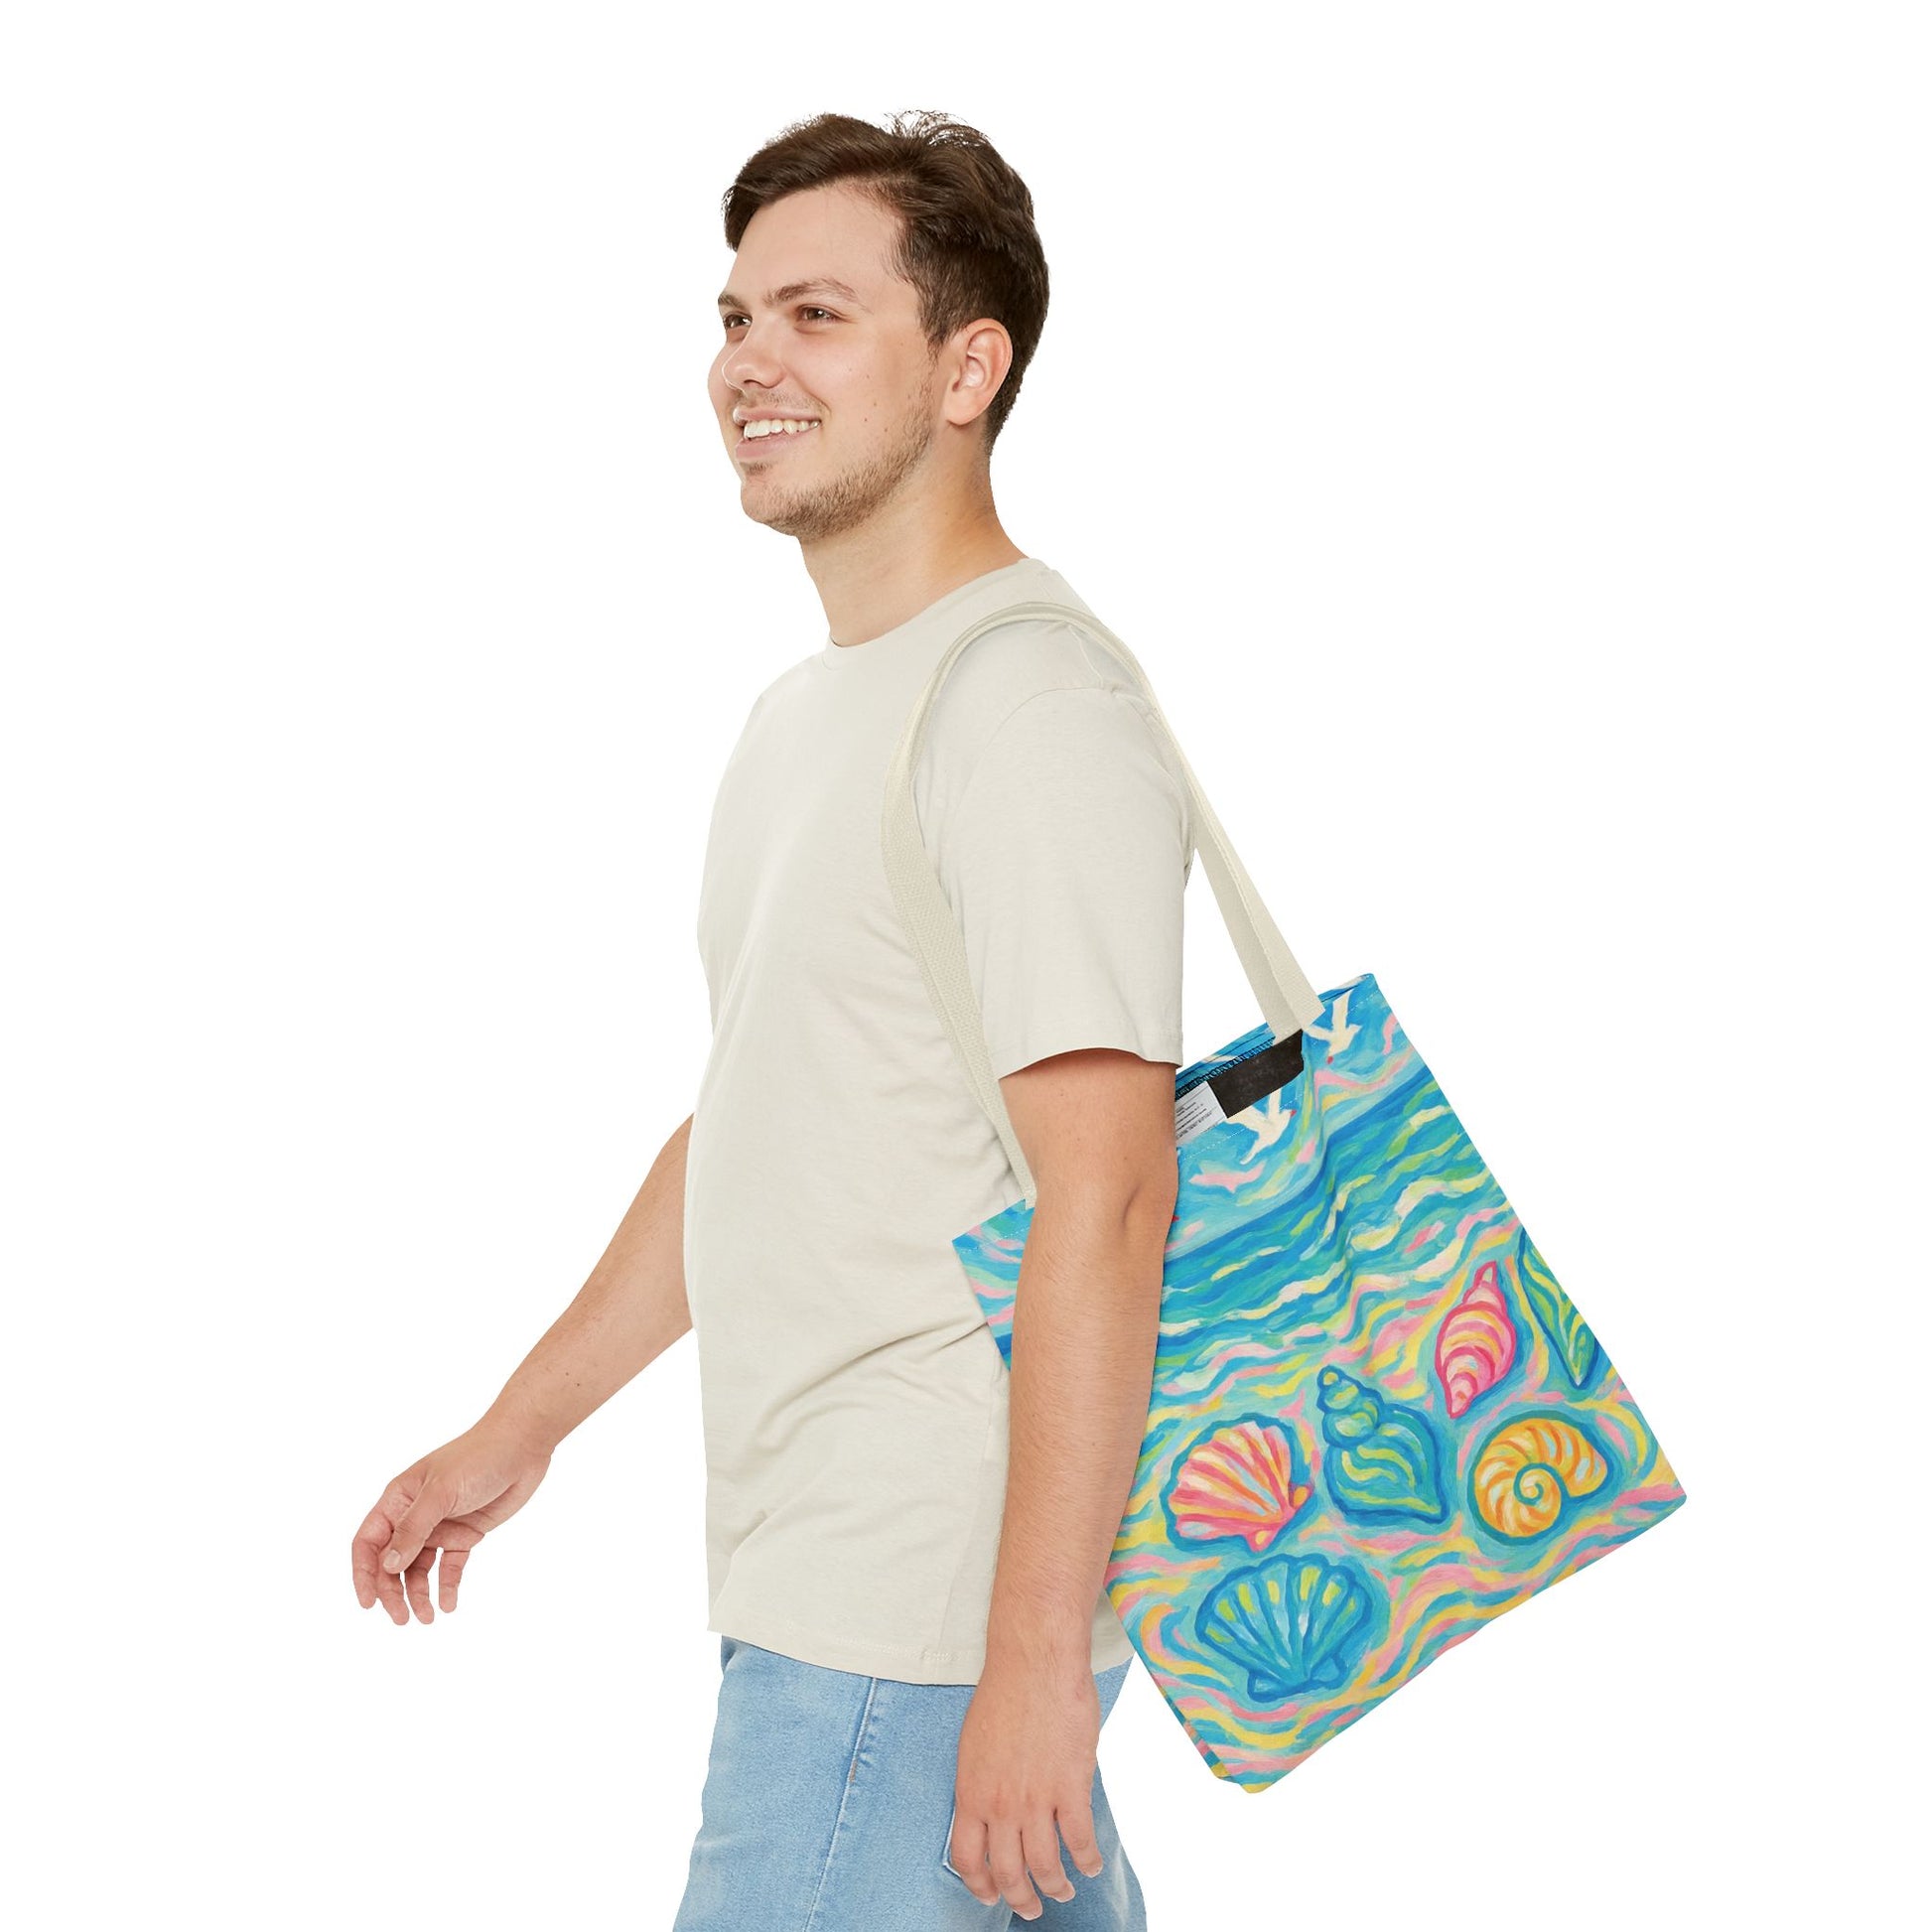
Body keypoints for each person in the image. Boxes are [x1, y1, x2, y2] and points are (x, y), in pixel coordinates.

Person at [350, 108, 1198, 1929]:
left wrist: (1029, 1668)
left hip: (906, 1619)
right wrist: (518, 1429)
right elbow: (760, 1121)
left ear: (967, 368)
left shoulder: (1024, 704)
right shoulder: (809, 716)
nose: (749, 362)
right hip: (839, 1590)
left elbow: (1112, 1191)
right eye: (736, 316)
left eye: (817, 315)